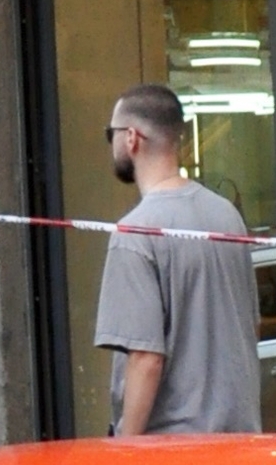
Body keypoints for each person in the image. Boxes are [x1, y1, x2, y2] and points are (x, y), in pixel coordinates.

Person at [96, 85, 263, 436]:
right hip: (240, 441)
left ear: (131, 138)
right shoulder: (227, 216)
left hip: (173, 453)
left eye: (109, 134)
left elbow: (145, 359)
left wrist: (125, 451)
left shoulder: (134, 234)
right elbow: (250, 324)